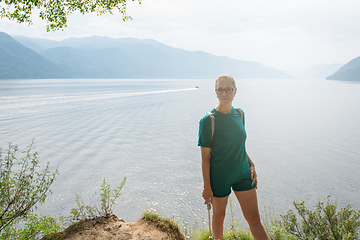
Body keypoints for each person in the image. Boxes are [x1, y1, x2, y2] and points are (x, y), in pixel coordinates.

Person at [198, 74, 269, 240]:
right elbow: (205, 158)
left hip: (243, 173)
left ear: (235, 91)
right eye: (220, 90)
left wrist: (251, 164)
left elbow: (240, 146)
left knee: (254, 219)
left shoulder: (240, 114)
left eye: (228, 89)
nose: (224, 93)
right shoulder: (208, 120)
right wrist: (207, 187)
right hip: (220, 176)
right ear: (215, 92)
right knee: (219, 217)